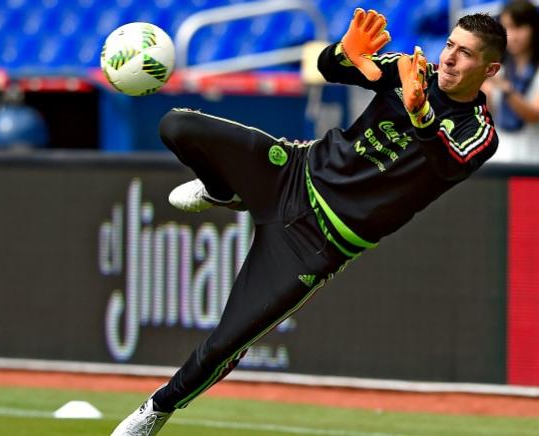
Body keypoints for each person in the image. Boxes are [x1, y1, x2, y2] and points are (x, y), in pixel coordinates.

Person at [111, 8, 506, 436]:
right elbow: (329, 70)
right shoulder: (411, 72)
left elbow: (447, 163)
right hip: (292, 172)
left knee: (226, 343)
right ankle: (225, 191)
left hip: (316, 243)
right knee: (177, 126)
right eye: (449, 45)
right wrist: (344, 52)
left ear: (490, 68)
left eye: (464, 53)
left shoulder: (479, 131)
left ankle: (156, 410)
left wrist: (422, 116)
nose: (449, 57)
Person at [482, 0, 539, 162]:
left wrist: (505, 89)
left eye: (518, 27)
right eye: (506, 27)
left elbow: (535, 114)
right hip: (499, 162)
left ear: (534, 29)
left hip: (536, 165)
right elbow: (485, 109)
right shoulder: (499, 68)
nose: (511, 35)